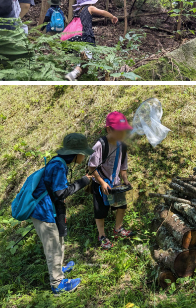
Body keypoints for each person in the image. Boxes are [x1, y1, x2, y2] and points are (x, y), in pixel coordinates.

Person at [31, 133, 94, 293]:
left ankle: (59, 268)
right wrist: (82, 181)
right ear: (75, 153)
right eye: (82, 153)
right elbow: (60, 193)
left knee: (59, 240)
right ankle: (57, 284)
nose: (84, 156)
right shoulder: (59, 166)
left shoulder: (58, 162)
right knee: (52, 246)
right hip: (45, 212)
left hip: (52, 210)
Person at [87, 111, 135, 249]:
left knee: (121, 206)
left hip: (116, 184)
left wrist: (125, 179)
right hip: (100, 183)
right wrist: (102, 182)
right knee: (100, 210)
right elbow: (91, 167)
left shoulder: (123, 146)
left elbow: (123, 166)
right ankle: (102, 236)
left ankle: (118, 229)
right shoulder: (100, 145)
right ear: (109, 129)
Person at [64, 0, 119, 81]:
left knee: (80, 58)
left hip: (74, 38)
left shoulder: (77, 12)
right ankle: (72, 75)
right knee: (86, 59)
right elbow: (102, 12)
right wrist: (112, 16)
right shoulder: (89, 8)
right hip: (86, 37)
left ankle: (75, 77)